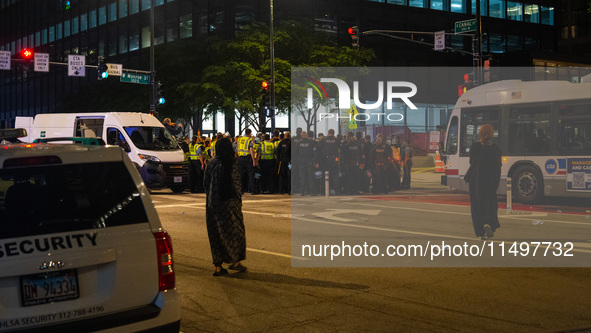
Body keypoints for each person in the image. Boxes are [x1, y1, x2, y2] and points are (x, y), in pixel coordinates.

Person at [203, 137, 247, 276]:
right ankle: (235, 261)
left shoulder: (211, 163)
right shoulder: (232, 163)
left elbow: (206, 182)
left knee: (216, 233)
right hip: (229, 203)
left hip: (213, 203)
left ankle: (218, 267)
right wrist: (238, 200)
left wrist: (210, 196)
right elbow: (236, 184)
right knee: (235, 232)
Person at [467, 124, 502, 240]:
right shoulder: (496, 149)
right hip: (490, 180)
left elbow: (471, 162)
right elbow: (498, 166)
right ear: (492, 134)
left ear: (480, 134)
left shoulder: (475, 147)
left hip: (476, 180)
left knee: (476, 205)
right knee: (491, 203)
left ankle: (480, 232)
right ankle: (490, 224)